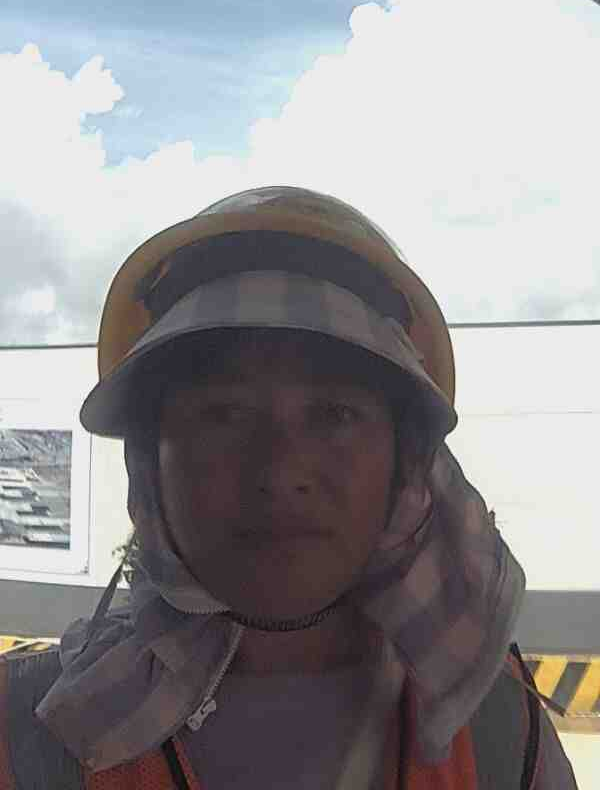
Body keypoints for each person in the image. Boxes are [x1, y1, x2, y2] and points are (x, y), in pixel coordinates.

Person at [0, 186, 578, 789]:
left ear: (407, 463)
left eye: (334, 415)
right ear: (149, 461)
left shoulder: (501, 735)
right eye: (224, 414)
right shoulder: (25, 733)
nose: (279, 474)